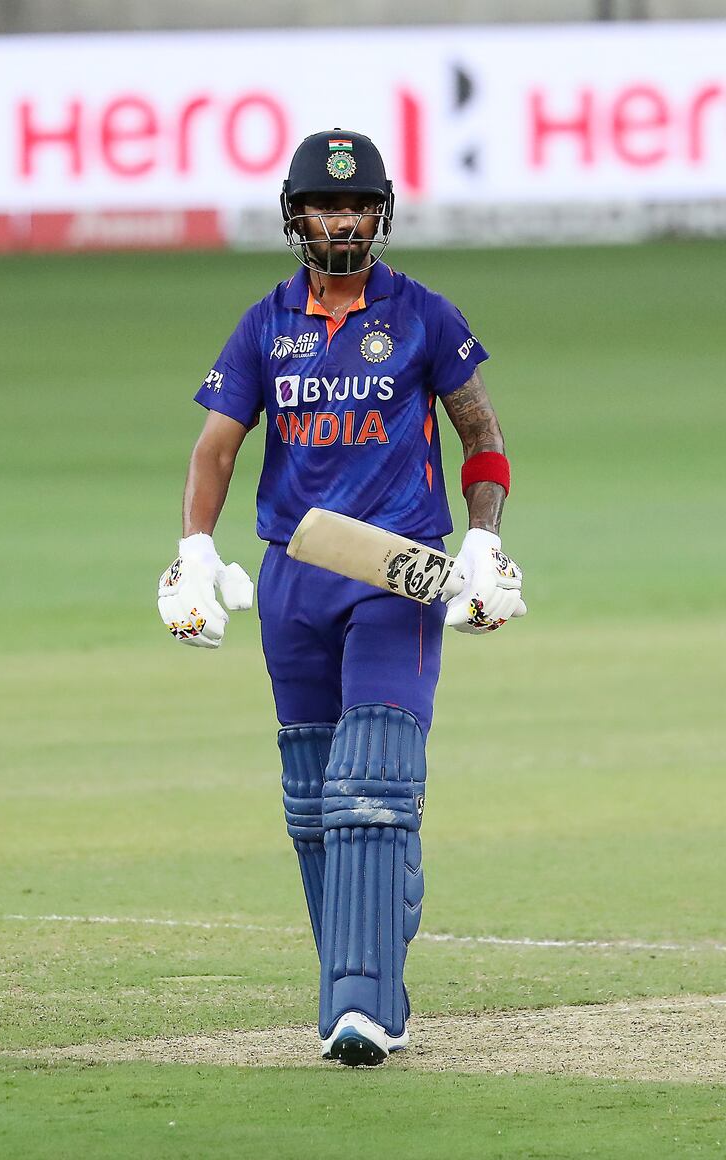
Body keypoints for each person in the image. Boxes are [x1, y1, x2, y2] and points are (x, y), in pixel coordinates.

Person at [158, 128, 525, 1067]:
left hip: (397, 570)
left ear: (381, 215)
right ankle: (374, 949)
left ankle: (363, 1011)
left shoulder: (423, 315)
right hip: (293, 572)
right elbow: (216, 446)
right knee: (315, 801)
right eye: (327, 205)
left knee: (372, 786)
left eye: (359, 206)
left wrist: (483, 539)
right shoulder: (264, 323)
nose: (344, 221)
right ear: (296, 216)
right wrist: (194, 550)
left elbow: (479, 432)